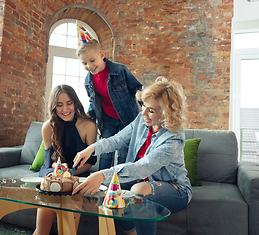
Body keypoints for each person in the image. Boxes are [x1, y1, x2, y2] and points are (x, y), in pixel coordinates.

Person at [72, 76, 192, 235]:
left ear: (166, 113)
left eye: (151, 110)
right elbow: (117, 140)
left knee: (137, 190)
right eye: (143, 106)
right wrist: (91, 149)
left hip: (175, 188)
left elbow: (142, 168)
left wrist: (102, 174)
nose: (143, 113)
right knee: (110, 192)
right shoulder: (141, 121)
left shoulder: (173, 139)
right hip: (141, 181)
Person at [33, 84, 97, 235]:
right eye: (59, 105)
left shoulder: (89, 126)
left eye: (69, 103)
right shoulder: (47, 127)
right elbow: (48, 161)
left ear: (75, 103)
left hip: (78, 174)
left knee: (68, 229)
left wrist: (71, 173)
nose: (65, 109)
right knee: (41, 229)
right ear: (53, 107)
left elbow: (90, 162)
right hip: (53, 173)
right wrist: (59, 170)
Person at [77, 39, 142, 170]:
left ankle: (121, 184)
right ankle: (103, 182)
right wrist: (88, 118)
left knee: (124, 151)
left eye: (92, 60)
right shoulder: (88, 81)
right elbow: (92, 101)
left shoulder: (120, 70)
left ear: (101, 55)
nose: (89, 66)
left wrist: (142, 99)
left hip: (127, 119)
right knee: (105, 151)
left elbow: (137, 88)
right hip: (107, 120)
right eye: (84, 63)